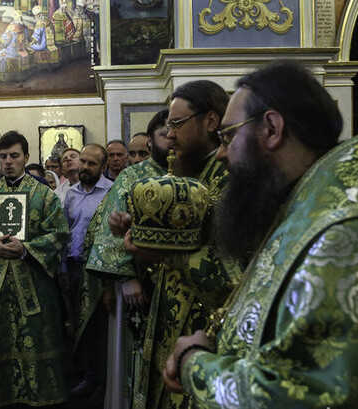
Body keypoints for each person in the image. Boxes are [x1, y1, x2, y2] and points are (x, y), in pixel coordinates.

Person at [164, 60, 358, 408]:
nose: (223, 153)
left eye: (228, 135)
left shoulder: (351, 239)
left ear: (272, 128)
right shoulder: (299, 213)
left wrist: (194, 363)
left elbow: (304, 395)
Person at [116, 80, 237, 409]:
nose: (169, 135)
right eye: (168, 126)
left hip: (203, 334)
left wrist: (163, 251)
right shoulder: (197, 175)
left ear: (210, 122)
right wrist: (141, 233)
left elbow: (235, 279)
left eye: (176, 124)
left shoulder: (230, 179)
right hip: (172, 319)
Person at [0, 131, 69, 407]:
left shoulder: (44, 196)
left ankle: (38, 395)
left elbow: (59, 233)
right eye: (3, 156)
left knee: (35, 339)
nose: (8, 162)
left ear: (27, 157)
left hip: (34, 287)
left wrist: (26, 249)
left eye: (14, 156)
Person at [83, 109, 171, 409]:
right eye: (164, 133)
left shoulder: (192, 171)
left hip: (176, 283)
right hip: (138, 284)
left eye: (175, 130)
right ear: (153, 141)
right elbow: (110, 231)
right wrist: (125, 276)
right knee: (135, 355)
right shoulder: (134, 175)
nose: (172, 138)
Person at [61, 144, 114, 406]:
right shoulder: (71, 194)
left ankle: (104, 379)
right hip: (74, 266)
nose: (85, 167)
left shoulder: (112, 192)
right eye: (83, 161)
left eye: (92, 164)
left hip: (99, 269)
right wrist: (62, 270)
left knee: (99, 325)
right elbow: (65, 233)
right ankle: (88, 376)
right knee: (78, 322)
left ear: (103, 167)